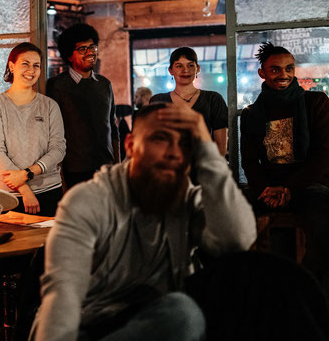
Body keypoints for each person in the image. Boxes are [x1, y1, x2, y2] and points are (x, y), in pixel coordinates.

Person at [30, 103, 256, 341]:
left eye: (186, 144)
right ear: (130, 145)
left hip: (159, 319)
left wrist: (208, 151)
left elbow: (238, 238)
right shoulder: (89, 200)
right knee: (183, 314)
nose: (174, 152)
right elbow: (63, 295)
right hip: (89, 326)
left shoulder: (186, 199)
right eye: (161, 138)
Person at [240, 41, 329, 294]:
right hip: (268, 187)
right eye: (276, 69)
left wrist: (289, 188)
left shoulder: (316, 102)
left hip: (310, 185)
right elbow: (249, 161)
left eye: (289, 68)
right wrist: (264, 189)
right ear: (262, 73)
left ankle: (302, 292)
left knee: (324, 236)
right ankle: (249, 291)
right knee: (221, 213)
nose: (284, 75)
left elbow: (324, 155)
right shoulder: (252, 113)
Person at [0, 42, 65, 217]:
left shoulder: (50, 106)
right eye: (25, 64)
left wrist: (27, 173)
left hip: (49, 191)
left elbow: (58, 149)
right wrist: (25, 190)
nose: (31, 70)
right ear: (12, 66)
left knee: (47, 244)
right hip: (6, 194)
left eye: (36, 65)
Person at [47, 23, 120, 189]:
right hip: (75, 171)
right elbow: (52, 135)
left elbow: (113, 129)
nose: (90, 52)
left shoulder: (104, 84)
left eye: (92, 47)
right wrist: (60, 179)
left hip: (106, 168)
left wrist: (117, 166)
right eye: (82, 49)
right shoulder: (56, 86)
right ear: (69, 56)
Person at [150, 47, 227, 156]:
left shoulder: (213, 99)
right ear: (170, 70)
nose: (185, 70)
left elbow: (221, 149)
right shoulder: (158, 101)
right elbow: (152, 143)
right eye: (179, 66)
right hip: (169, 169)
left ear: (198, 68)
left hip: (203, 168)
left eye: (190, 65)